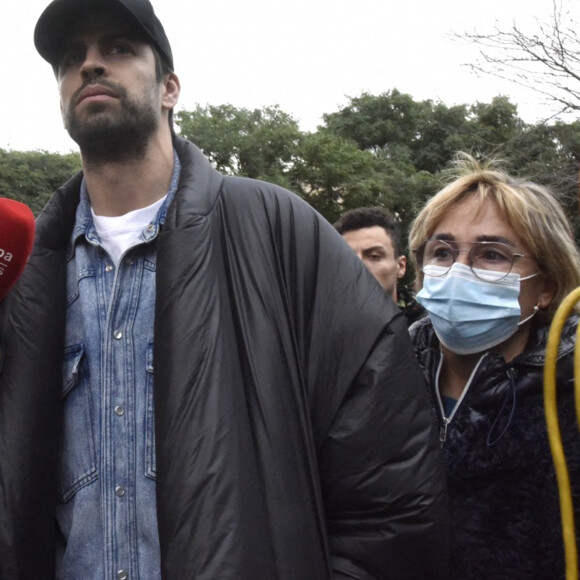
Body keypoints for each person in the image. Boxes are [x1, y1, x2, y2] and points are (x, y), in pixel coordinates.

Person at [0, 0, 450, 578]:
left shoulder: (280, 229)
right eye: (70, 58)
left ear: (169, 88)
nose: (89, 65)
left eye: (117, 48)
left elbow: (389, 482)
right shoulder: (27, 272)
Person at [408, 153, 580, 579]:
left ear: (547, 287)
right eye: (442, 252)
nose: (457, 272)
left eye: (491, 255)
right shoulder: (378, 379)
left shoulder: (572, 396)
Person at [334, 206, 425, 325]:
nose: (359, 266)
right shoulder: (318, 329)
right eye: (348, 258)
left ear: (400, 266)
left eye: (374, 256)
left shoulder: (430, 332)